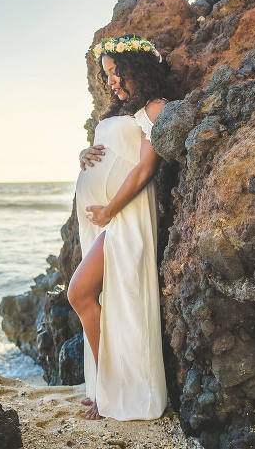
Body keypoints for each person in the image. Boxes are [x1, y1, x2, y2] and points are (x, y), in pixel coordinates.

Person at [67, 34, 170, 421]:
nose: (110, 81)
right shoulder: (115, 114)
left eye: (115, 72)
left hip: (125, 216)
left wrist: (110, 208)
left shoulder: (156, 109)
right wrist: (83, 155)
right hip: (104, 220)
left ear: (135, 70)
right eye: (106, 74)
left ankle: (111, 391)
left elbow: (145, 168)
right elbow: (105, 152)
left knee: (79, 293)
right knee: (103, 301)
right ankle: (102, 389)